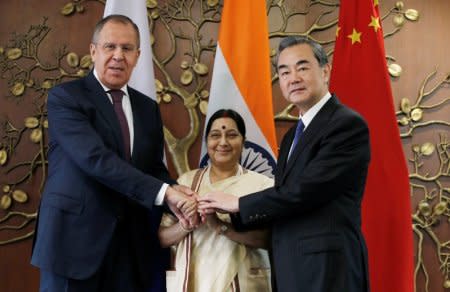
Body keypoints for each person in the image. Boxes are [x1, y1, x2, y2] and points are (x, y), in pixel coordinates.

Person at [31, 14, 197, 292]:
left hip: (131, 248)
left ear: (138, 55)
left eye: (127, 48)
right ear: (93, 50)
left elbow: (153, 169)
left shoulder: (147, 108)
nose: (118, 55)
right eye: (110, 47)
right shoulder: (66, 98)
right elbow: (95, 159)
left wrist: (180, 195)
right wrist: (166, 193)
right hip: (74, 244)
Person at [199, 36, 371, 292]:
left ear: (325, 71)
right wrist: (225, 219)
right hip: (291, 266)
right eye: (284, 72)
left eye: (302, 68)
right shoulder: (293, 134)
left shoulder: (346, 125)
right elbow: (284, 202)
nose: (293, 78)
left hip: (328, 269)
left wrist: (238, 203)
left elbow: (306, 190)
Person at [159, 109, 273, 292]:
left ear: (243, 141)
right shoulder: (186, 183)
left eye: (231, 135)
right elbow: (162, 238)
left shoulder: (262, 185)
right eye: (215, 135)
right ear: (207, 142)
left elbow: (271, 240)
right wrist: (186, 225)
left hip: (243, 283)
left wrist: (221, 226)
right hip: (193, 281)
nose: (223, 142)